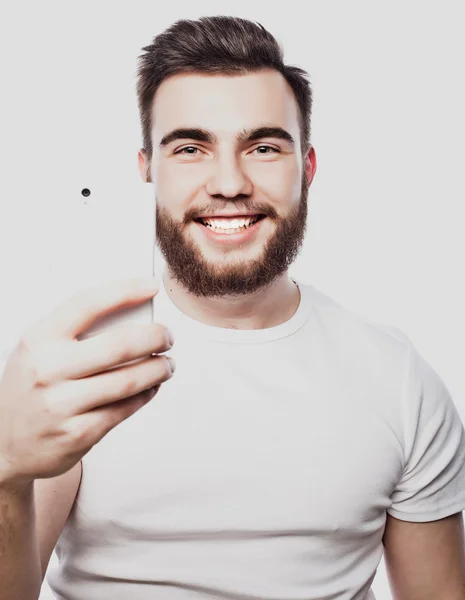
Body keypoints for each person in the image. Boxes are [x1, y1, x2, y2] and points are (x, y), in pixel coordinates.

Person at [1, 14, 465, 600]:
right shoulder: (75, 365)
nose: (228, 183)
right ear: (148, 169)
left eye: (263, 146)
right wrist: (5, 473)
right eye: (191, 148)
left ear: (308, 168)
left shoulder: (399, 379)